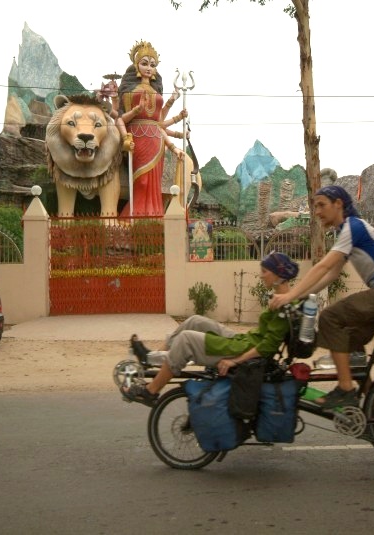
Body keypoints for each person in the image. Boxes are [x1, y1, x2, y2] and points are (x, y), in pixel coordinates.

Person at [269, 185, 374, 409]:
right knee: (350, 340)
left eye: (321, 205)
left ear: (338, 204)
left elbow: (323, 266)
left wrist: (290, 295)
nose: (317, 211)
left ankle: (346, 389)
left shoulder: (352, 227)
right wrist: (302, 296)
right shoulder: (344, 230)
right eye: (315, 206)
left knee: (330, 317)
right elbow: (332, 273)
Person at [121, 252, 300, 406]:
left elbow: (267, 347)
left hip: (244, 350)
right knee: (195, 321)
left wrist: (234, 361)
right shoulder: (281, 299)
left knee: (186, 340)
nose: (261, 276)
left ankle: (151, 391)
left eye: (265, 271)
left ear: (278, 275)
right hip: (245, 340)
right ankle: (152, 359)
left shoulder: (284, 306)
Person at [116, 40, 187, 217]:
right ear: (136, 65)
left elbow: (159, 120)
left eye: (152, 65)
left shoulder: (156, 91)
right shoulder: (128, 91)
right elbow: (120, 119)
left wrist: (173, 99)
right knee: (141, 182)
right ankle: (133, 217)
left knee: (153, 184)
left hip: (156, 140)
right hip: (136, 138)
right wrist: (135, 111)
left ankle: (153, 217)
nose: (149, 68)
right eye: (144, 63)